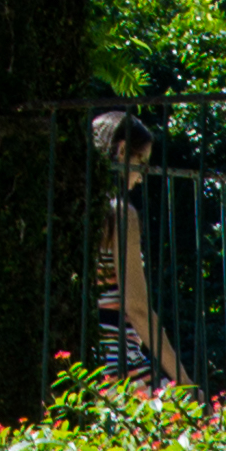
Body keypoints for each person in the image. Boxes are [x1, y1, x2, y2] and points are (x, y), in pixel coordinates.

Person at [90, 100, 189, 389]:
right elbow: (136, 307)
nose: (142, 175)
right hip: (120, 366)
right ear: (121, 151)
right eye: (141, 162)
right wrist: (183, 379)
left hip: (80, 367)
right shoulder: (121, 215)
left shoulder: (72, 213)